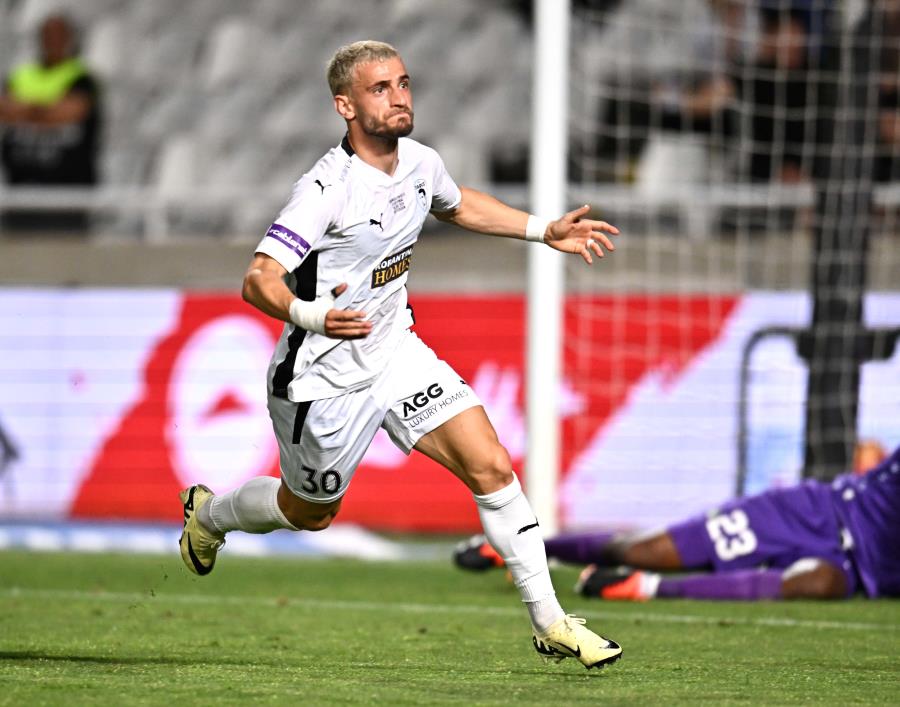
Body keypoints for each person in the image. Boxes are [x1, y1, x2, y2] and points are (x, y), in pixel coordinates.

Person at [177, 41, 622, 670]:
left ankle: (551, 622)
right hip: (321, 381)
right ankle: (211, 516)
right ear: (345, 106)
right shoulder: (325, 189)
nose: (399, 97)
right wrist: (312, 315)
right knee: (307, 512)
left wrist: (541, 230)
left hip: (395, 354)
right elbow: (258, 279)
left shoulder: (419, 162)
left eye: (404, 83)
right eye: (380, 88)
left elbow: (457, 203)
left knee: (492, 465)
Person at [455, 442, 900, 602]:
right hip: (815, 513)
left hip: (857, 572)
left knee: (818, 584)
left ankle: (643, 588)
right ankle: (527, 545)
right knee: (648, 550)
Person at [0, 13, 101, 233]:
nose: (53, 42)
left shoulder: (82, 77)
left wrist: (25, 110)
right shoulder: (21, 76)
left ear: (70, 39)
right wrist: (45, 110)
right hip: (20, 195)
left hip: (69, 198)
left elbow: (70, 111)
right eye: (48, 36)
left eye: (59, 36)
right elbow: (4, 110)